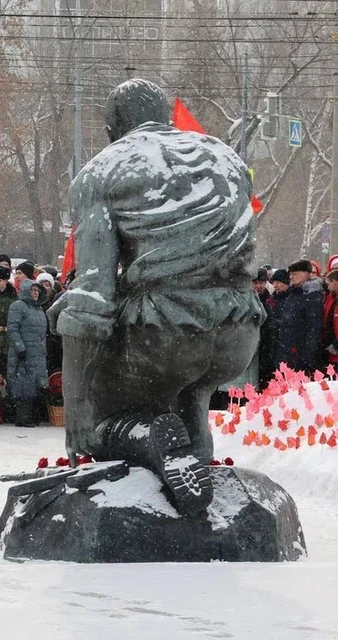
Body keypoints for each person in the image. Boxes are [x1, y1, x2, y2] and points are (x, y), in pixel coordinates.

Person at [49, 78, 264, 515]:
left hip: (162, 335)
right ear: (167, 117)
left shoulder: (103, 170)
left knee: (105, 419)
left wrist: (77, 414)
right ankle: (195, 490)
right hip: (237, 331)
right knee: (192, 397)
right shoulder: (228, 159)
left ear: (113, 129)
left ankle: (149, 438)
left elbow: (92, 300)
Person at [7, 279, 49, 427]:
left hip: (38, 353)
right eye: (33, 291)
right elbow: (13, 328)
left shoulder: (39, 309)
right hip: (24, 353)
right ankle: (23, 417)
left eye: (38, 291)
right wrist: (20, 348)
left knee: (35, 385)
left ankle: (31, 416)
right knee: (23, 385)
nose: (36, 293)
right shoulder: (18, 306)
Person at [275, 259, 324, 376]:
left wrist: (306, 357)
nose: (290, 277)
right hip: (287, 350)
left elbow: (314, 328)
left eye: (294, 274)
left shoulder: (312, 296)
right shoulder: (294, 293)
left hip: (299, 354)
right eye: (290, 274)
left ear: (305, 273)